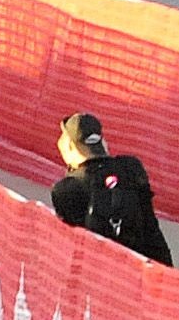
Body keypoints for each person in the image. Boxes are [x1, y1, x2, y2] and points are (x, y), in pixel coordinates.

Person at [48, 112, 170, 264]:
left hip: (99, 273)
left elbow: (70, 248)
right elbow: (151, 229)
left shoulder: (66, 190)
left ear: (70, 147)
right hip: (139, 270)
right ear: (102, 142)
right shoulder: (131, 169)